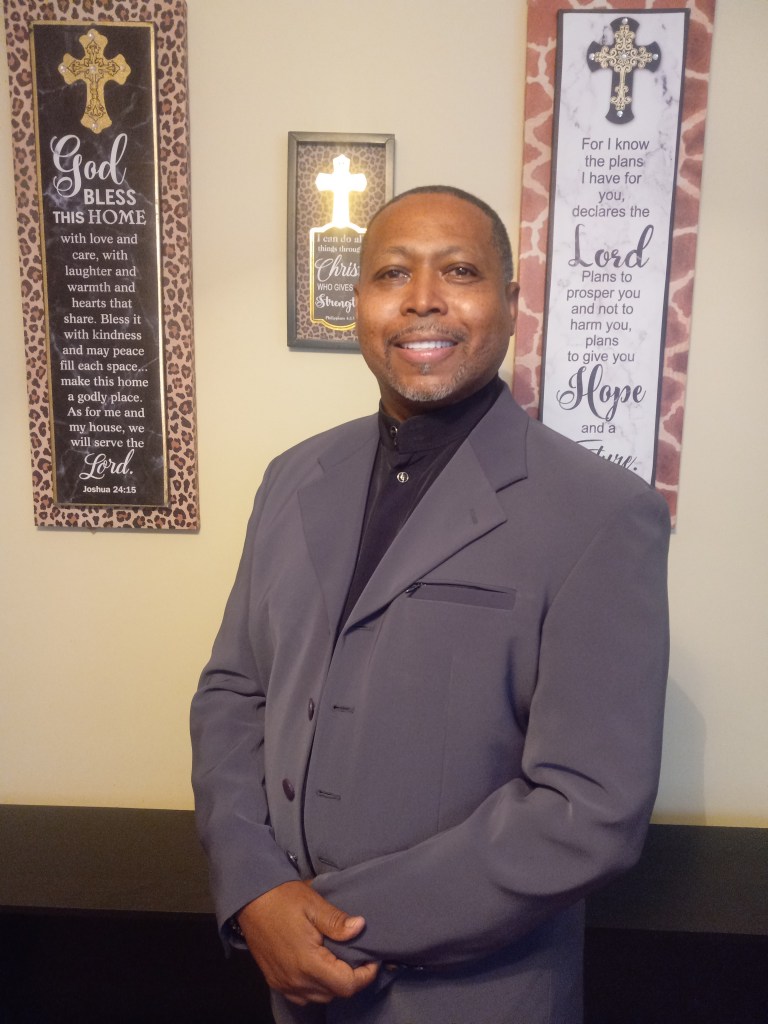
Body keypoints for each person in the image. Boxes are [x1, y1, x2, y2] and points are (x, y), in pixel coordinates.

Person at [190, 186, 670, 1024]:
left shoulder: (602, 513)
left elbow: (587, 811)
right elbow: (234, 694)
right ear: (358, 304)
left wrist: (321, 927)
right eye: (391, 274)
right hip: (291, 989)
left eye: (459, 271)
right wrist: (256, 892)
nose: (421, 299)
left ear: (511, 304)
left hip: (472, 997)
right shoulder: (291, 477)